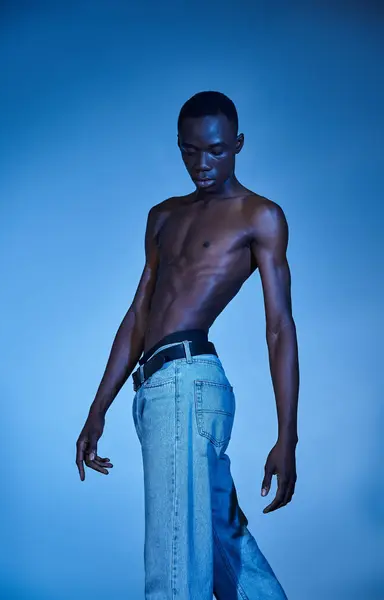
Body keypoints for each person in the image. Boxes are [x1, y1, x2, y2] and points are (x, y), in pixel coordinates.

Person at [76, 90, 299, 600]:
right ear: (179, 146)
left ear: (238, 144)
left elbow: (279, 326)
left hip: (187, 386)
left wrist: (288, 437)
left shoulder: (258, 216)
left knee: (175, 572)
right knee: (222, 549)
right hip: (155, 391)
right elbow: (139, 315)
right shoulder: (164, 216)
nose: (203, 163)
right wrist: (98, 409)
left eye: (217, 151)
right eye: (191, 150)